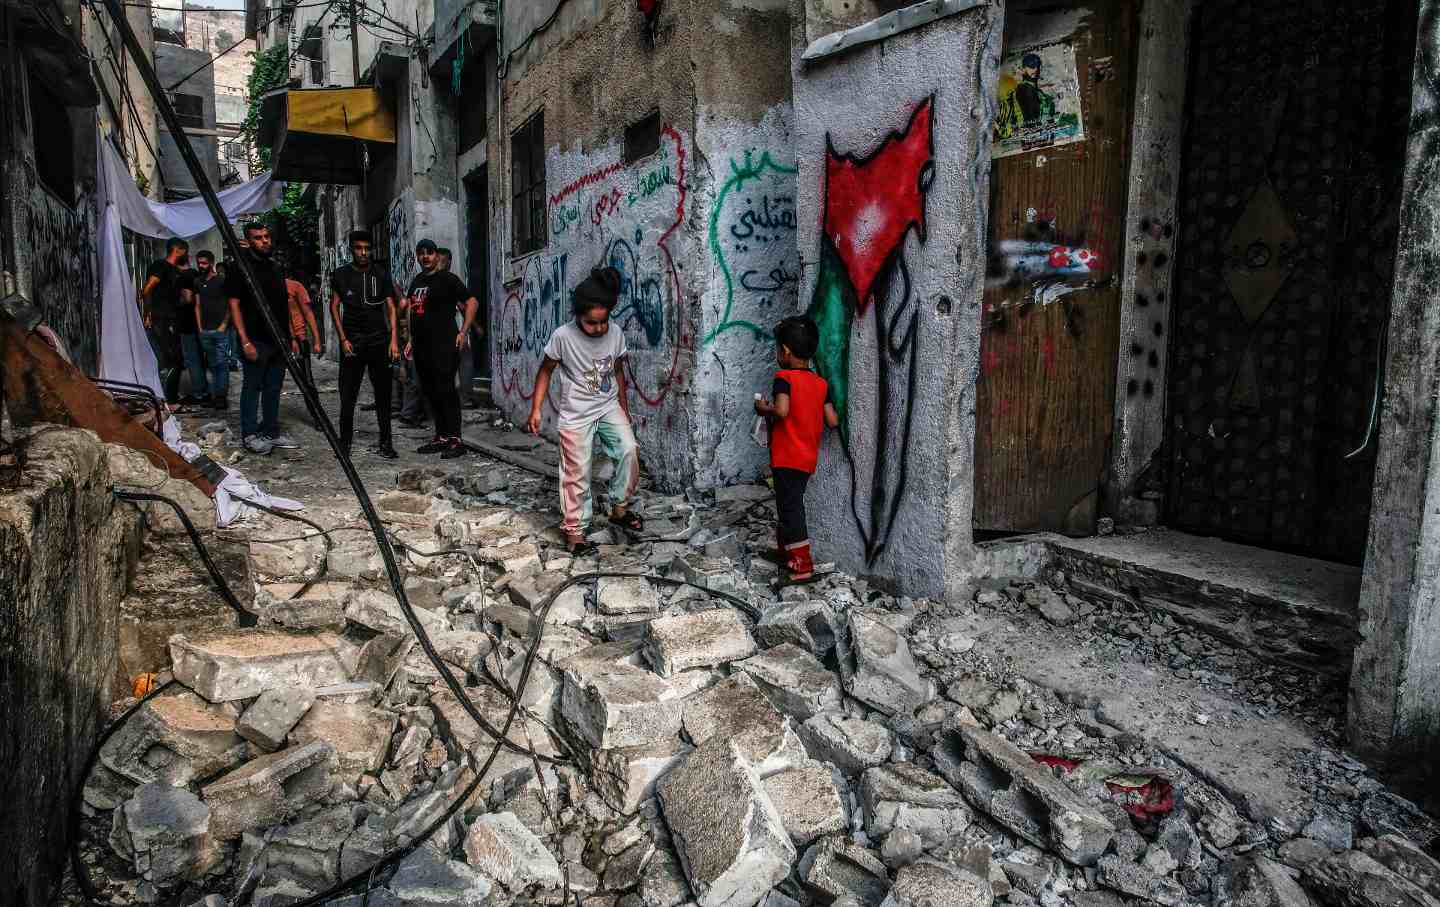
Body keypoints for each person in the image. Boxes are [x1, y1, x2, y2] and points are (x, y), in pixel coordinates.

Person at [525, 267, 643, 555]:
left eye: (603, 322)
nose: (599, 329)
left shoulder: (614, 333)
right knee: (577, 471)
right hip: (576, 414)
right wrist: (536, 409)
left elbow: (617, 371)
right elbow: (545, 371)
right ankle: (575, 531)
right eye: (592, 323)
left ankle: (619, 508)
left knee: (629, 449)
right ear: (578, 314)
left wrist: (623, 410)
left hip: (607, 406)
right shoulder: (562, 337)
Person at [753, 316, 840, 584]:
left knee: (791, 509)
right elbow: (833, 420)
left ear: (786, 352)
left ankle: (802, 565)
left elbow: (781, 410)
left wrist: (762, 408)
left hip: (786, 456)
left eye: (778, 349)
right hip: (806, 458)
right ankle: (786, 552)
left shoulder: (784, 377)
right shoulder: (821, 384)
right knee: (787, 504)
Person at [226, 223, 298, 454]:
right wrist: (244, 340)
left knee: (273, 387)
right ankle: (249, 434)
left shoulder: (274, 266)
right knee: (252, 387)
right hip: (255, 338)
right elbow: (234, 305)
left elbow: (281, 304)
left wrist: (290, 336)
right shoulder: (240, 268)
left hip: (279, 340)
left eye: (267, 236)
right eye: (258, 238)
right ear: (248, 241)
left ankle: (270, 430)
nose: (265, 241)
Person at [405, 239, 478, 458]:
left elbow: (472, 301)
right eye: (421, 253)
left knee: (446, 390)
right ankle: (441, 437)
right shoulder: (416, 281)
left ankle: (456, 440)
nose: (425, 257)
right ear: (417, 257)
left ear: (436, 256)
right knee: (430, 390)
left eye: (429, 253)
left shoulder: (448, 279)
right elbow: (412, 311)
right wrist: (410, 339)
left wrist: (463, 331)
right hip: (421, 346)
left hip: (444, 344)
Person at [330, 230, 400, 458]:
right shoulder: (341, 275)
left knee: (383, 394)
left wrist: (394, 341)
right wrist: (343, 339)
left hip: (379, 340)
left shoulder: (381, 274)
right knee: (348, 394)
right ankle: (345, 442)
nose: (363, 252)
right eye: (359, 248)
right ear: (352, 249)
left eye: (367, 248)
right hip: (353, 341)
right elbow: (334, 307)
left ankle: (386, 443)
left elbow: (391, 307)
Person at [141, 237, 190, 404]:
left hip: (169, 319)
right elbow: (147, 289)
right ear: (179, 250)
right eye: (186, 252)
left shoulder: (174, 271)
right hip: (162, 320)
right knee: (171, 361)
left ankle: (168, 398)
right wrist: (148, 314)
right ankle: (168, 400)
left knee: (173, 360)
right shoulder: (162, 266)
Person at [192, 250, 232, 409]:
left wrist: (224, 324)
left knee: (221, 363)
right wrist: (200, 327)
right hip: (205, 329)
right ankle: (216, 395)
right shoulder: (197, 282)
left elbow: (231, 304)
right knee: (213, 364)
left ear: (211, 262)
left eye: (204, 263)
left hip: (220, 329)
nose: (201, 266)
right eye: (199, 263)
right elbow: (197, 305)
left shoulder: (221, 280)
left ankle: (221, 397)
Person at [285, 268, 323, 391]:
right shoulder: (268, 287)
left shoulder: (295, 286)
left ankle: (315, 407)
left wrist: (317, 341)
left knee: (307, 381)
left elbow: (308, 314)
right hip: (280, 338)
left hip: (298, 338)